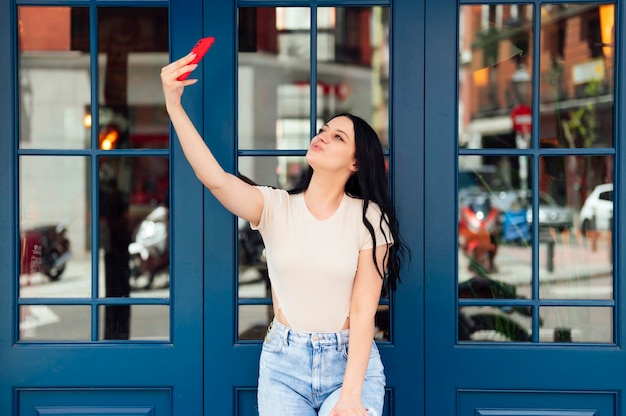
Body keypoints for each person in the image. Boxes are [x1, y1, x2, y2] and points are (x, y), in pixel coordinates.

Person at [161, 52, 407, 416]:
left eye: (337, 136)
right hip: (284, 364)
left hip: (349, 365)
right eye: (323, 130)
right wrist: (173, 105)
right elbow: (214, 178)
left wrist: (351, 396)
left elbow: (362, 308)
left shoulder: (369, 218)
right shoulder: (276, 207)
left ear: (355, 162)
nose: (321, 137)